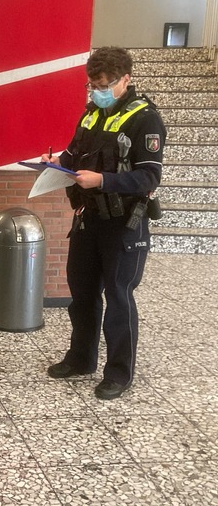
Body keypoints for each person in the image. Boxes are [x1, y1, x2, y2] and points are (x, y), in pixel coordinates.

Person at [43, 47, 166, 400]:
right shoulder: (90, 114)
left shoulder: (146, 119)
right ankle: (81, 359)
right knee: (81, 295)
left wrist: (103, 181)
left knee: (118, 297)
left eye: (103, 84)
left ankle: (118, 372)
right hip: (89, 218)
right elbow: (73, 154)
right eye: (91, 84)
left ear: (125, 79)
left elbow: (148, 178)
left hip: (125, 224)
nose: (96, 90)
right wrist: (56, 162)